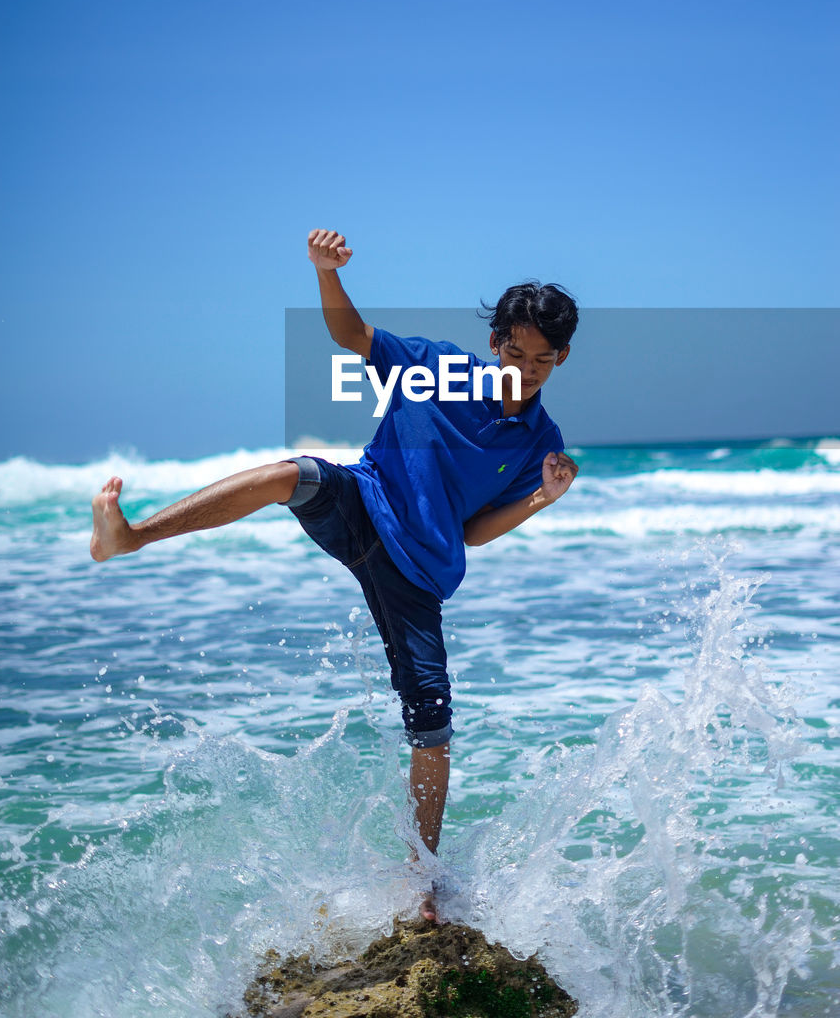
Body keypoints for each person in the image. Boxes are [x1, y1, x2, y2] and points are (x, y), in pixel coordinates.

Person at [90, 228, 579, 921]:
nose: (525, 369)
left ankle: (423, 883)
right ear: (495, 340)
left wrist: (540, 499)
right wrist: (326, 273)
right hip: (364, 504)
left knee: (433, 726)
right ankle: (132, 534)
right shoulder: (437, 367)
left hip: (419, 573)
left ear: (560, 358)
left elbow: (473, 531)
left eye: (542, 360)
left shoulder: (542, 445)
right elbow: (353, 337)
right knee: (287, 476)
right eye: (515, 351)